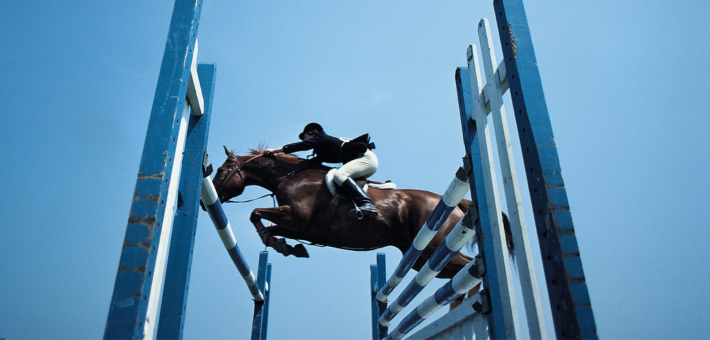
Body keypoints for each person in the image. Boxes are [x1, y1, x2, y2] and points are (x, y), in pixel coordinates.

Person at [263, 123, 378, 218]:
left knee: (339, 175)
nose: (304, 140)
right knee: (338, 181)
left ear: (313, 134)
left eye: (305, 137)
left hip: (365, 159)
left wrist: (275, 151)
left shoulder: (322, 137)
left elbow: (302, 146)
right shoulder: (323, 150)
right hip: (361, 161)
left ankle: (366, 203)